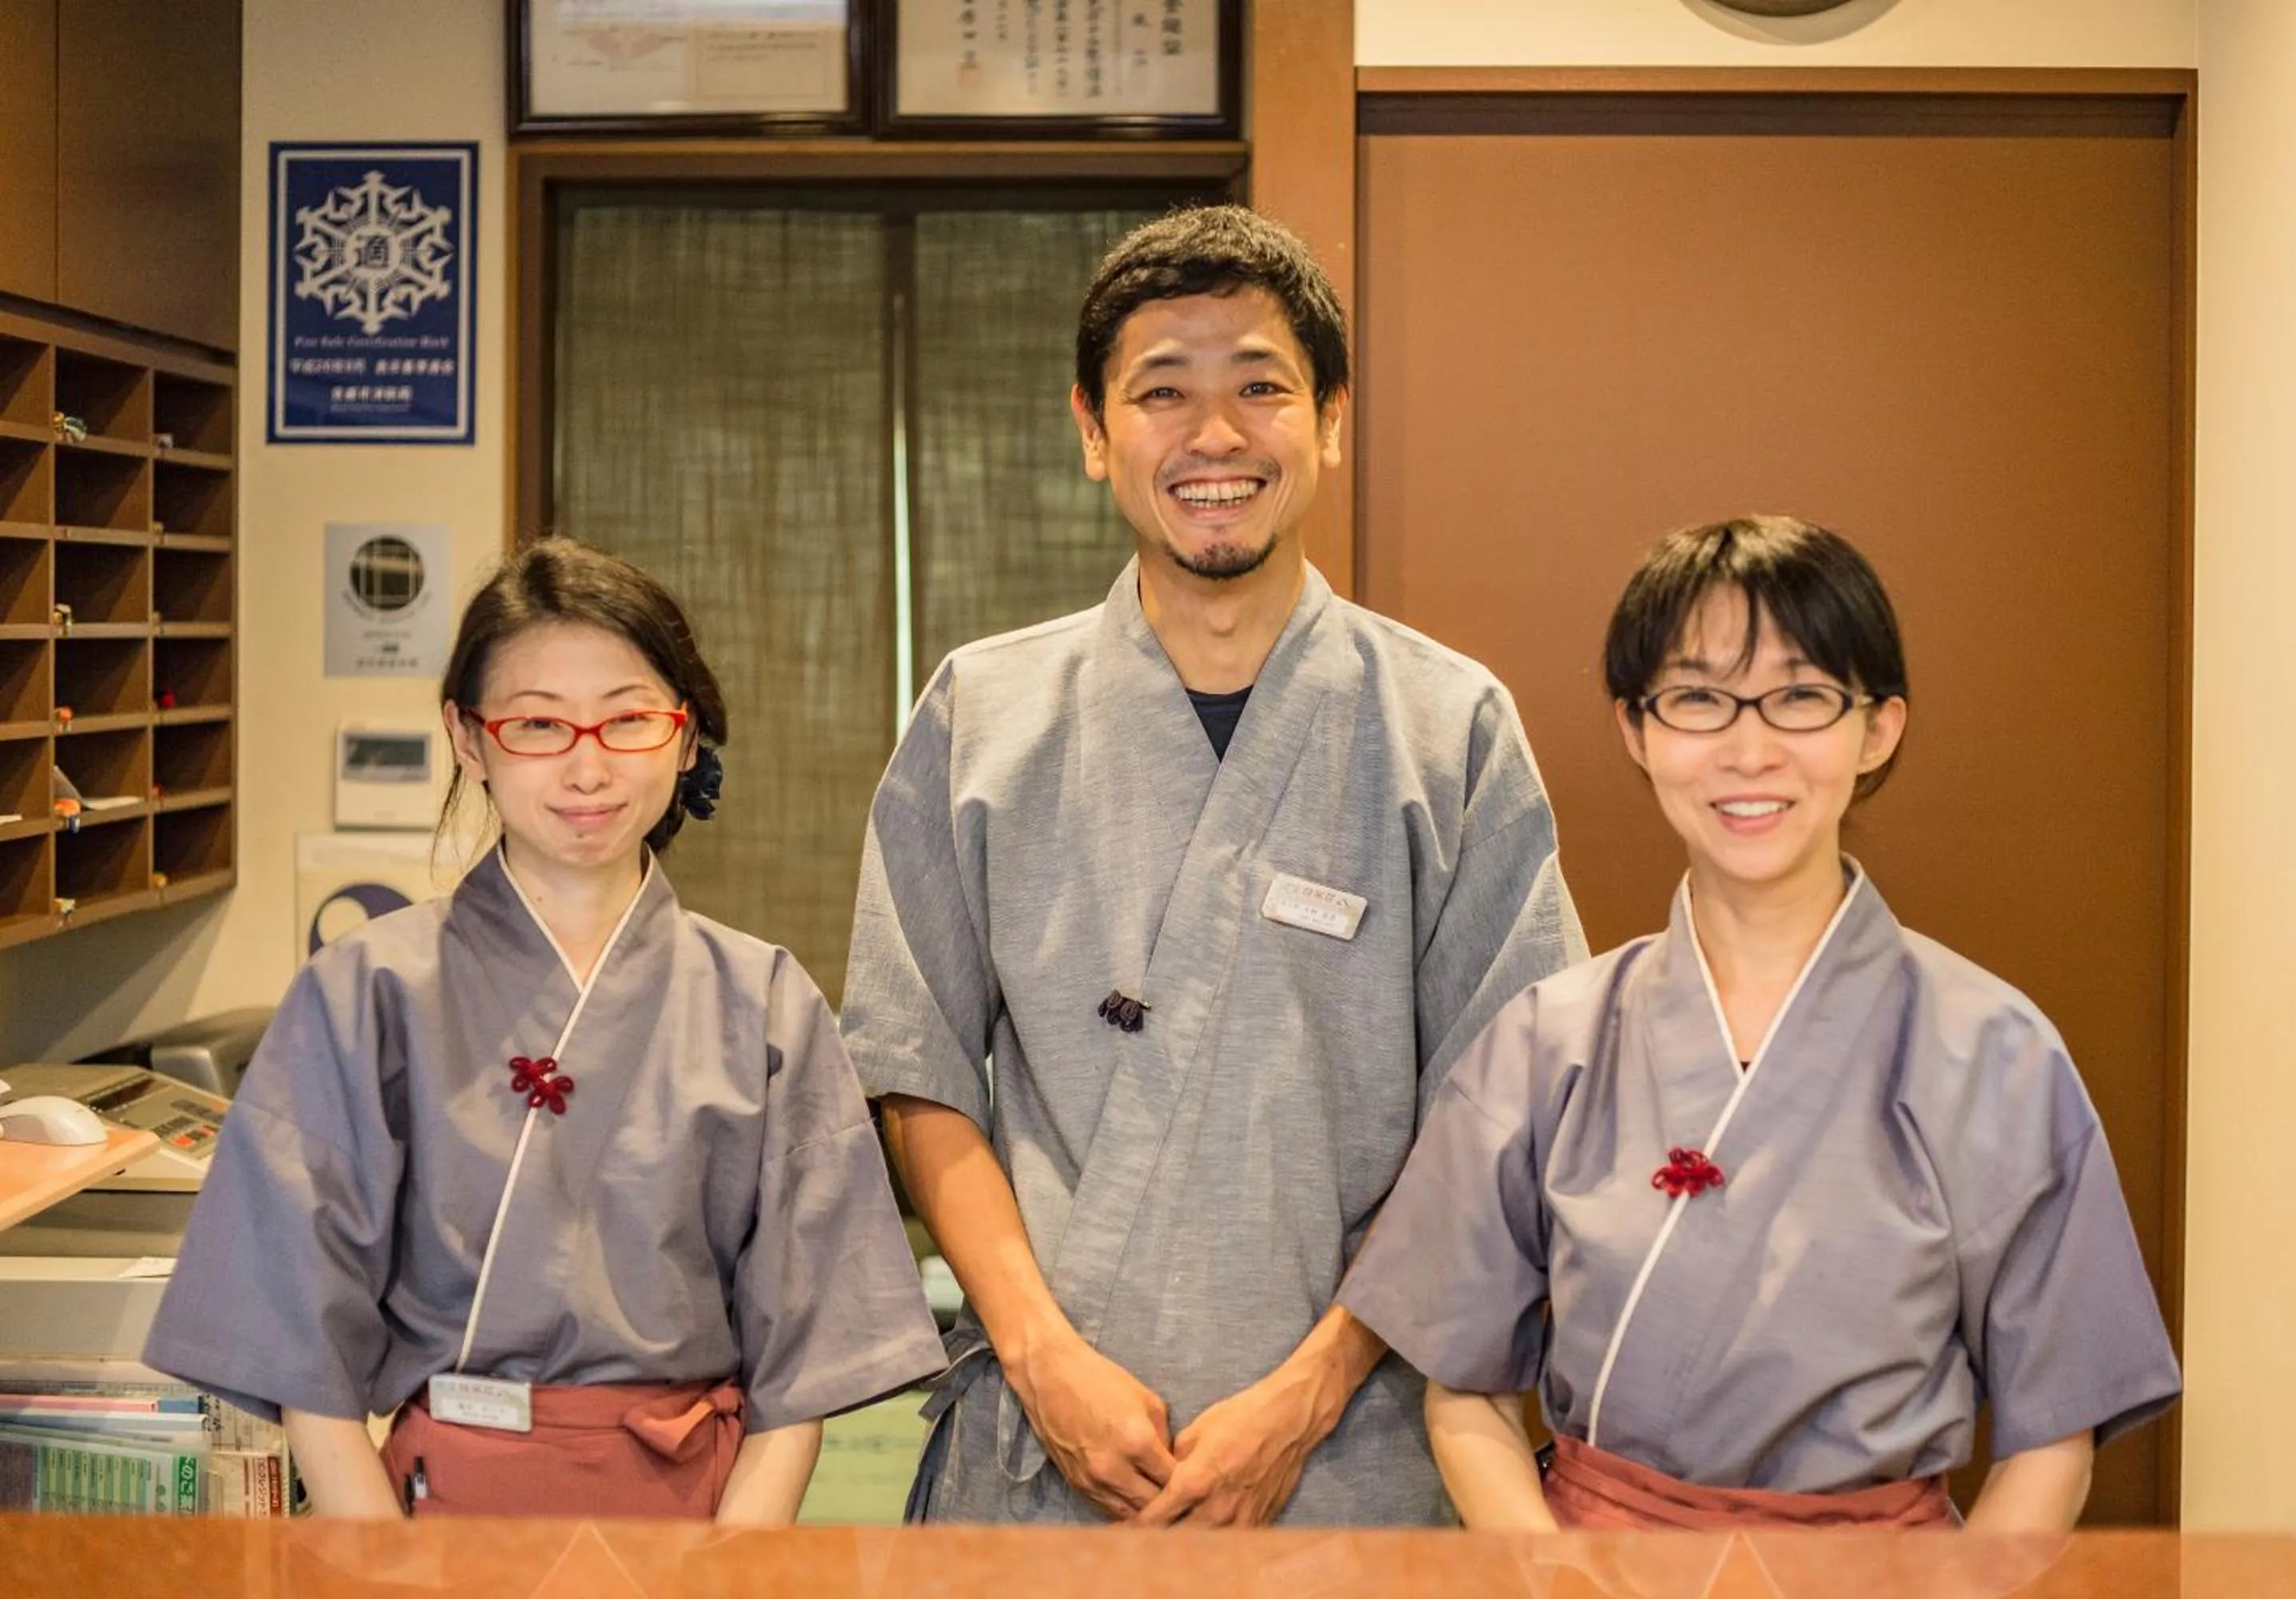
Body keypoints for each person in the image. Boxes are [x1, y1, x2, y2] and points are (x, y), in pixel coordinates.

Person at [840, 205, 1585, 1527]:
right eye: (1162, 393)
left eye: (1261, 388)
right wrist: (1040, 1356)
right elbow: (918, 1073)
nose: (1216, 436)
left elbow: (1497, 1112)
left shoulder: (1447, 727)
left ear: (1331, 419)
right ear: (1092, 430)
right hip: (1045, 1454)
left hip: (1352, 1459)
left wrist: (1307, 1396)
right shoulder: (980, 718)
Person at [1337, 516, 2182, 1533]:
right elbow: (1462, 1390)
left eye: (1801, 696)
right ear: (1637, 730)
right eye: (1698, 698)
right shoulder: (1543, 1044)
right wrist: (1553, 1575)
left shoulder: (1997, 1052)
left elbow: (2056, 1436)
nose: (1749, 749)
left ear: (1878, 727)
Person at [144, 537, 944, 1521]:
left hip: (694, 1518)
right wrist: (381, 1563)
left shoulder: (766, 1001)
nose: (587, 766)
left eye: (629, 720)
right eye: (537, 723)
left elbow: (806, 1358)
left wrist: (737, 1566)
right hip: (431, 1519)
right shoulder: (365, 992)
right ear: (469, 738)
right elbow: (298, 1343)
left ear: (686, 738)